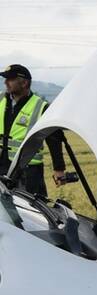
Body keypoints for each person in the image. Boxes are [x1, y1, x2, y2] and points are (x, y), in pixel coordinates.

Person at [0, 64, 66, 196]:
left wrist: (59, 169)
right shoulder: (1, 99)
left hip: (29, 171)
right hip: (1, 165)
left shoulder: (41, 106)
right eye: (6, 79)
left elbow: (54, 139)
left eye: (10, 79)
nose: (5, 82)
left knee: (31, 206)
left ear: (24, 83)